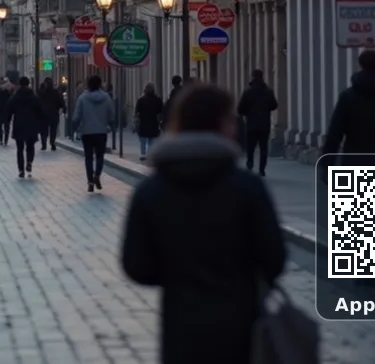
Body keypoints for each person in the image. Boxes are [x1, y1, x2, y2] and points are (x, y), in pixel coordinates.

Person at [122, 82, 285, 364]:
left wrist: (176, 275)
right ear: (225, 126)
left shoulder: (151, 191)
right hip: (240, 320)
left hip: (180, 321)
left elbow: (136, 265)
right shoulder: (247, 188)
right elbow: (274, 257)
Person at [71, 73, 116, 192]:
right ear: (100, 84)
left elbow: (76, 116)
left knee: (89, 157)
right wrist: (111, 125)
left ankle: (90, 180)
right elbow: (111, 115)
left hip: (87, 132)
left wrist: (75, 128)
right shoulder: (106, 98)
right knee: (100, 156)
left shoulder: (82, 98)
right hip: (101, 131)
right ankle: (97, 175)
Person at [236, 69, 278, 177]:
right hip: (264, 124)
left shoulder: (248, 92)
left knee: (251, 147)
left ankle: (250, 165)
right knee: (264, 148)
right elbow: (274, 105)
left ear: (252, 77)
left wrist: (247, 113)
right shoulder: (268, 92)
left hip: (251, 124)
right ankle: (261, 169)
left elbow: (240, 109)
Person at [6, 75, 43, 179]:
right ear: (28, 84)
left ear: (19, 84)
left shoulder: (15, 96)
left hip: (19, 124)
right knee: (30, 146)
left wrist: (7, 121)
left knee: (20, 149)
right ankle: (29, 162)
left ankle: (21, 169)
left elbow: (9, 109)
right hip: (32, 124)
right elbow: (40, 111)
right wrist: (40, 124)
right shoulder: (34, 96)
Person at [133, 82, 165, 161]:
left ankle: (143, 154)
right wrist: (160, 120)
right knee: (151, 140)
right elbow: (161, 111)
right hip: (153, 123)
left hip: (143, 123)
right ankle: (150, 154)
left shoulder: (141, 100)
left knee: (143, 140)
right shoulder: (158, 100)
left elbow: (137, 112)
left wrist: (136, 121)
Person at [38, 78, 65, 151]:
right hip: (53, 113)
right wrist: (60, 107)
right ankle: (52, 143)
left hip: (43, 114)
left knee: (43, 130)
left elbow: (38, 103)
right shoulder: (55, 92)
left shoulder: (41, 92)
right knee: (53, 129)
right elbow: (60, 102)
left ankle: (44, 144)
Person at [0, 80, 12, 146]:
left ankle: (4, 140)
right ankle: (2, 140)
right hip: (1, 112)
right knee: (1, 127)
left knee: (5, 127)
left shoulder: (8, 93)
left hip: (4, 112)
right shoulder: (6, 93)